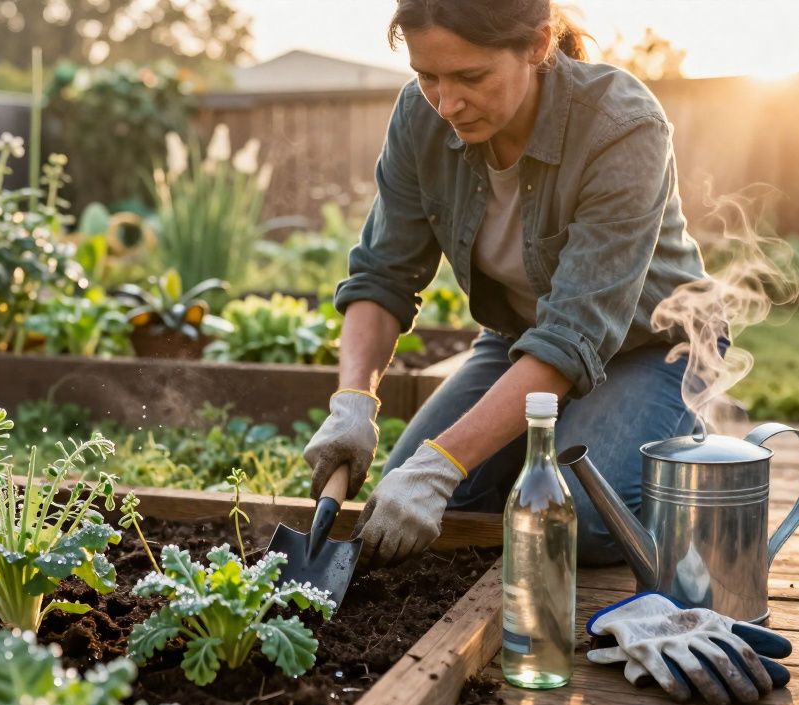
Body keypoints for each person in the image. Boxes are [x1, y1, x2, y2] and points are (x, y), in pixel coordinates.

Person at [303, 0, 714, 568]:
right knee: (414, 507)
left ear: (538, 45)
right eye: (428, 77)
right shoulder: (420, 119)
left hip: (653, 347)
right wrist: (353, 401)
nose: (447, 104)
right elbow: (382, 275)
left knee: (585, 525)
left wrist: (443, 462)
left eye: (471, 77)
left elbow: (574, 334)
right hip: (522, 341)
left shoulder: (622, 125)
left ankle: (673, 440)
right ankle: (545, 454)